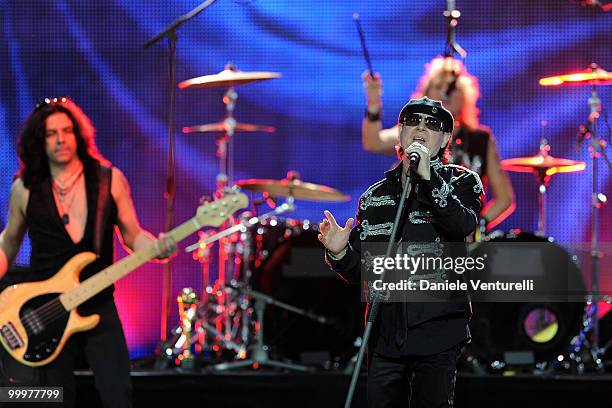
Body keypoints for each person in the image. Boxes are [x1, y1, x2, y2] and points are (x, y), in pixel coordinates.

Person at [0, 97, 176, 408]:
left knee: (118, 394)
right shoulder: (24, 188)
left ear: (78, 134)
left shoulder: (110, 180)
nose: (60, 139)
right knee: (56, 398)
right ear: (39, 141)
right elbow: (9, 243)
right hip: (45, 310)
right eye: (51, 133)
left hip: (98, 304)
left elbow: (133, 235)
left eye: (66, 130)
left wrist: (157, 249)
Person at [320, 97, 483, 407]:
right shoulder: (374, 197)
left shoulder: (462, 182)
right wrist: (340, 253)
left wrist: (427, 178)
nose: (421, 128)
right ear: (400, 132)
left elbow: (461, 224)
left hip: (438, 327)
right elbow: (361, 273)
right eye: (413, 121)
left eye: (432, 124)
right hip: (384, 330)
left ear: (446, 138)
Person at [362, 56, 514, 230]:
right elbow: (374, 142)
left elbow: (504, 198)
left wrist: (477, 227)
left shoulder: (481, 139)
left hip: (458, 232)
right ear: (426, 94)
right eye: (438, 86)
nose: (445, 92)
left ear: (465, 95)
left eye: (452, 88)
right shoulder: (414, 131)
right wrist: (373, 103)